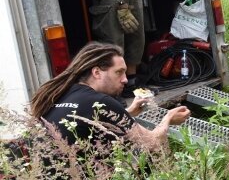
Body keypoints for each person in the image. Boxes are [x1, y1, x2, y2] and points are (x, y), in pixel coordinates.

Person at [29, 42, 190, 151]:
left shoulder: (62, 92)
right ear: (97, 72)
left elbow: (90, 120)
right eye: (119, 72)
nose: (126, 79)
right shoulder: (101, 102)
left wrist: (128, 112)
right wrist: (168, 118)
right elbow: (153, 143)